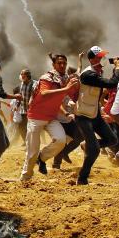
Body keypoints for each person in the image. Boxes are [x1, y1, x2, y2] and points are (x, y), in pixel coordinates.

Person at [66, 47, 119, 185]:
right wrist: (118, 68)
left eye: (102, 56)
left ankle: (87, 145)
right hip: (83, 115)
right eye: (99, 57)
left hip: (94, 113)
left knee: (112, 139)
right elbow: (111, 83)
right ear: (91, 60)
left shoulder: (97, 72)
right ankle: (82, 178)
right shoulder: (89, 75)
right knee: (95, 150)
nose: (102, 59)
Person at [20, 54, 79, 182]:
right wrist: (66, 88)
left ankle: (41, 158)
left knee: (60, 140)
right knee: (32, 152)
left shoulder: (64, 79)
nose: (62, 65)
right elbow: (44, 93)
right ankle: (25, 178)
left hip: (51, 117)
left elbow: (60, 98)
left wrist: (67, 110)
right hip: (36, 117)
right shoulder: (47, 77)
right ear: (54, 65)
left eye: (64, 63)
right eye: (59, 63)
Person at [15, 69, 34, 145]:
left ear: (28, 76)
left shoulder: (33, 83)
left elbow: (34, 95)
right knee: (21, 127)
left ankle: (31, 142)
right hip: (23, 110)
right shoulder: (21, 84)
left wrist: (31, 101)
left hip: (32, 110)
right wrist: (17, 105)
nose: (22, 76)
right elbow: (20, 96)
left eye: (24, 74)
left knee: (31, 128)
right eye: (21, 74)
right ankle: (26, 142)